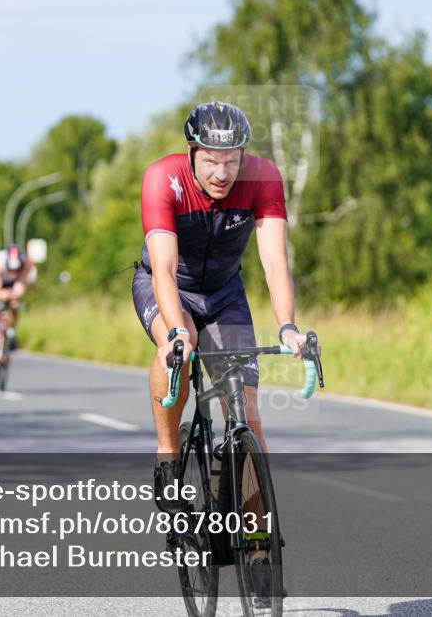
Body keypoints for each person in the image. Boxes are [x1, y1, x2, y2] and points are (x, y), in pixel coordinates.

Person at [132, 101, 310, 503]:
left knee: (246, 412)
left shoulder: (263, 178)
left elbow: (274, 260)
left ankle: (258, 546)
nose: (222, 173)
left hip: (225, 292)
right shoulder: (163, 178)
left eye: (232, 161)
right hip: (169, 285)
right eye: (211, 161)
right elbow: (163, 266)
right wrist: (177, 331)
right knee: (179, 344)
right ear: (192, 152)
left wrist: (287, 326)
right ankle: (167, 455)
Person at [0, 243, 36, 383]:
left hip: (11, 287)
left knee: (15, 308)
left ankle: (11, 331)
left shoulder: (26, 264)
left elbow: (21, 286)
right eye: (11, 269)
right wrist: (7, 295)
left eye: (16, 270)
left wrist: (15, 295)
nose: (13, 272)